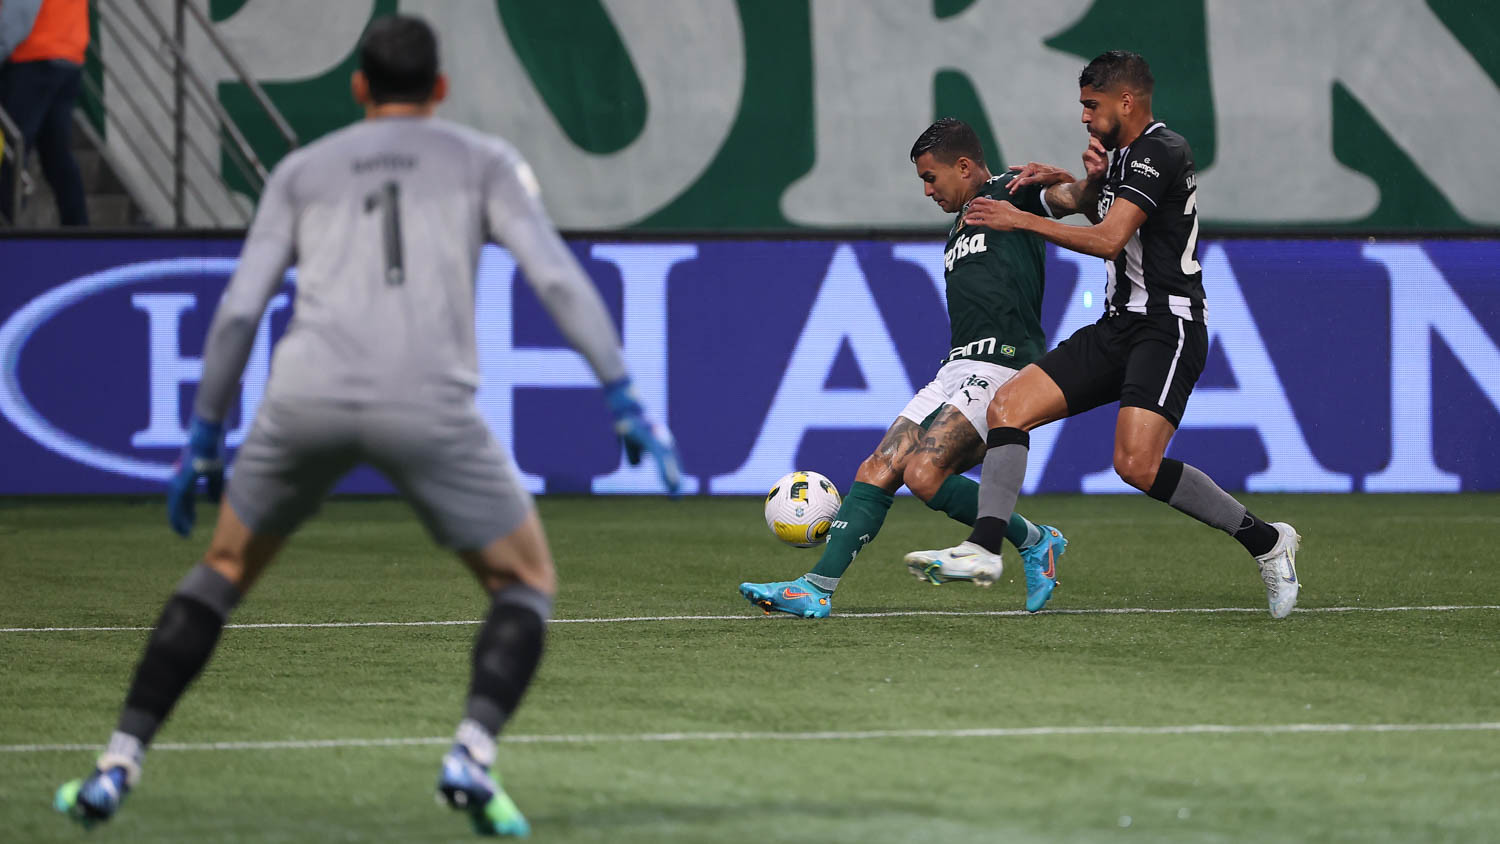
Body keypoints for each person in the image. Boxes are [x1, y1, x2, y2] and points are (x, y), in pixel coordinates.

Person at [53, 14, 681, 837]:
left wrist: (205, 435)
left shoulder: (303, 169)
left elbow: (241, 309)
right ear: (442, 89)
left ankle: (116, 764)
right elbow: (557, 280)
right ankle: (470, 752)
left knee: (224, 567)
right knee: (524, 582)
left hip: (304, 397)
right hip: (428, 403)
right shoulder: (483, 161)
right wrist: (623, 394)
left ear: (357, 86)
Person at [913, 51, 1301, 618]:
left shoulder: (1160, 150)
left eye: (1091, 106)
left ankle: (1267, 541)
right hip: (1119, 324)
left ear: (1126, 101)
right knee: (1009, 404)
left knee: (1136, 466)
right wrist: (1083, 180)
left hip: (1168, 327)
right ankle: (984, 548)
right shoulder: (1123, 157)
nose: (1085, 117)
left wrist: (1017, 217)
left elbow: (1108, 238)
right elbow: (1098, 208)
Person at [738, 117, 1103, 619]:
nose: (927, 190)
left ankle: (1035, 540)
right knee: (877, 468)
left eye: (931, 178)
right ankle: (816, 586)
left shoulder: (1011, 193)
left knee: (925, 474)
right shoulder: (959, 226)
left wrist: (1091, 179)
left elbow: (1076, 201)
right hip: (954, 370)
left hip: (1002, 369)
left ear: (965, 165)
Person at [0, 0, 88, 225]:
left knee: (12, 150)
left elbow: (20, 13)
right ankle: (79, 229)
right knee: (56, 154)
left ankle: (6, 229)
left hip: (33, 56)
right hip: (68, 55)